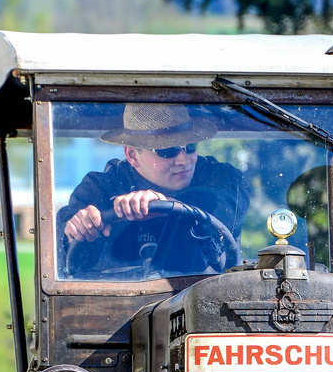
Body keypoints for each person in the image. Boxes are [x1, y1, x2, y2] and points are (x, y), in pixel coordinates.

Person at [58, 104, 249, 276]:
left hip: (204, 302)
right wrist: (75, 230)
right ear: (133, 155)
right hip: (120, 305)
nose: (184, 160)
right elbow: (67, 254)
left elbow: (226, 202)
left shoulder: (222, 177)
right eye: (167, 150)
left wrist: (167, 205)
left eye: (190, 147)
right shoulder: (100, 188)